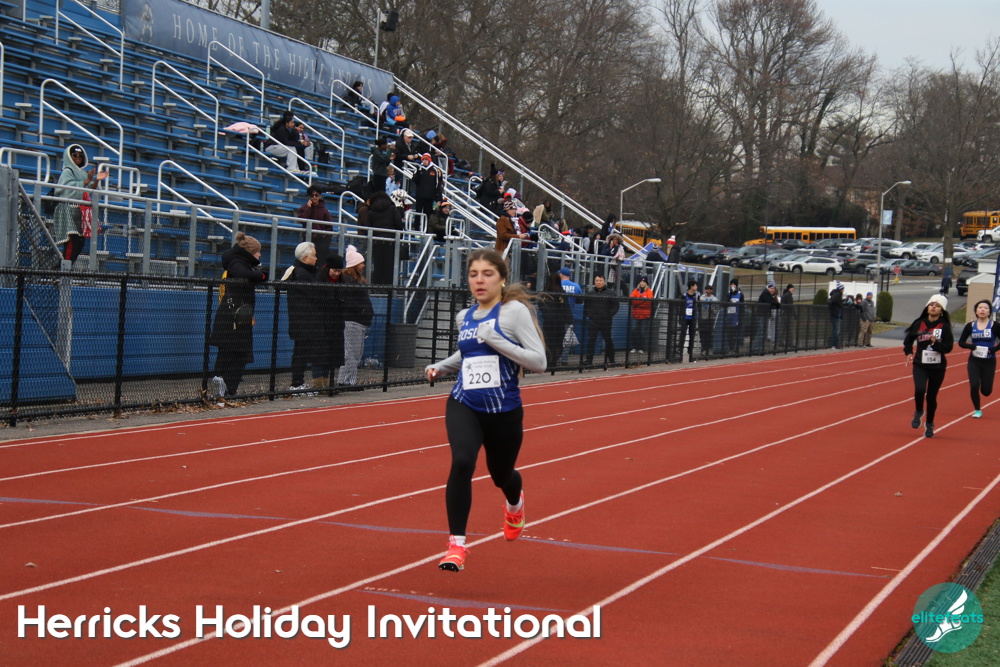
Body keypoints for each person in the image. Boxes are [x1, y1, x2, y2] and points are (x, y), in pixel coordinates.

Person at [424, 249, 547, 572]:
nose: (479, 280)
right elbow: (468, 354)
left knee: (501, 475)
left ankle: (515, 503)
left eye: (487, 274)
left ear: (502, 279)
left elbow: (539, 362)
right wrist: (441, 366)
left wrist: (496, 340)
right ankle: (456, 546)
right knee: (462, 461)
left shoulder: (513, 312)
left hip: (504, 411)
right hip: (465, 402)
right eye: (473, 274)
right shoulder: (464, 316)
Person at [209, 232, 268, 400]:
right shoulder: (236, 262)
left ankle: (228, 388)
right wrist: (260, 275)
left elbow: (257, 276)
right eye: (258, 252)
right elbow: (246, 275)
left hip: (239, 316)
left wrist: (260, 275)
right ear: (251, 252)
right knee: (231, 352)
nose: (260, 255)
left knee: (238, 353)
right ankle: (224, 386)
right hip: (232, 316)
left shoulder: (241, 263)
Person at [903, 294, 954, 438]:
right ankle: (919, 410)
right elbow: (908, 339)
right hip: (920, 364)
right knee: (920, 389)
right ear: (927, 307)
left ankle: (930, 423)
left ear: (942, 310)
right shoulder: (919, 323)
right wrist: (908, 351)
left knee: (931, 397)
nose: (933, 307)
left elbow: (948, 347)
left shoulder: (944, 326)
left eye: (937, 306)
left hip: (937, 367)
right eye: (931, 304)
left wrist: (936, 344)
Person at [54, 144, 108, 265]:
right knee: (71, 241)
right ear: (69, 157)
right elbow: (66, 189)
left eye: (80, 155)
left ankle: (66, 266)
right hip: (68, 210)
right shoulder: (68, 171)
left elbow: (87, 190)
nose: (78, 157)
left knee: (79, 242)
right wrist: (88, 180)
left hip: (79, 212)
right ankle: (63, 268)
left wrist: (96, 180)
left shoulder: (83, 173)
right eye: (75, 155)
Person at [280, 242, 324, 391]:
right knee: (301, 352)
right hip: (304, 320)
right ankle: (297, 383)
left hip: (305, 320)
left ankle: (298, 382)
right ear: (305, 257)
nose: (316, 258)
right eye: (314, 255)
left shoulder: (303, 272)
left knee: (303, 352)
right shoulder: (301, 273)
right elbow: (317, 294)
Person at [336, 246, 374, 387]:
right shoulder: (350, 282)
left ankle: (349, 381)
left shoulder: (353, 281)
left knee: (355, 353)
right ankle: (345, 381)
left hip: (358, 321)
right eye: (361, 263)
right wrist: (362, 310)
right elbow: (349, 302)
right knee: (351, 353)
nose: (363, 265)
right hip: (353, 321)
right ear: (355, 265)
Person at [957, 300, 1000, 418]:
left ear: (989, 312)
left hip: (989, 361)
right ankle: (977, 410)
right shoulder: (970, 326)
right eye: (980, 308)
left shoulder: (995, 326)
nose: (982, 310)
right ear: (976, 311)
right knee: (974, 384)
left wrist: (994, 349)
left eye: (985, 308)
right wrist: (971, 346)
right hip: (974, 360)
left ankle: (985, 389)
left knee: (986, 391)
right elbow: (961, 342)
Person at [317, 253, 346, 387]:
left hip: (336, 323)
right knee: (320, 353)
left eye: (339, 271)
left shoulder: (342, 282)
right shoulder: (319, 279)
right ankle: (319, 382)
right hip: (321, 322)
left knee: (332, 354)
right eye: (334, 270)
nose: (336, 274)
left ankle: (328, 382)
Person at [364, 191, 404, 285]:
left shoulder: (371, 211)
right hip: (391, 241)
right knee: (389, 267)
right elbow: (398, 224)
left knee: (378, 267)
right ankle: (388, 289)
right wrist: (399, 237)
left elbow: (367, 228)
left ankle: (376, 288)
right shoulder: (392, 208)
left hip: (376, 242)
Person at [537, 271, 572, 367]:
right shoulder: (562, 293)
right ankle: (554, 362)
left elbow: (540, 305)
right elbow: (566, 307)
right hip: (559, 322)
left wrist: (547, 313)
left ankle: (548, 361)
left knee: (548, 341)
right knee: (558, 342)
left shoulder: (545, 293)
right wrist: (570, 320)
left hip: (548, 322)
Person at [584, 273, 618, 366]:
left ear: (604, 282)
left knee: (608, 340)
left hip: (606, 321)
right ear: (594, 282)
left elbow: (615, 306)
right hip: (593, 321)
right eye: (597, 281)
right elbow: (586, 305)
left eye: (600, 281)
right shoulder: (590, 293)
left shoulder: (611, 293)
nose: (598, 282)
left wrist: (609, 314)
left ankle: (611, 360)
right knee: (591, 340)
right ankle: (589, 360)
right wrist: (589, 314)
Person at [295, 185, 333, 266]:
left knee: (320, 265)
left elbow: (329, 228)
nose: (314, 197)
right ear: (309, 196)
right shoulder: (303, 208)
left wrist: (326, 241)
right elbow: (302, 220)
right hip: (307, 240)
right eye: (312, 195)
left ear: (320, 196)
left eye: (316, 195)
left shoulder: (325, 211)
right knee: (306, 263)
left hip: (321, 243)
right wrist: (308, 208)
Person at [412, 152, 443, 220]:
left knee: (427, 214)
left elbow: (437, 184)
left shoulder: (434, 170)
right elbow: (414, 180)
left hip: (429, 196)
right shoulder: (418, 169)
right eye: (423, 159)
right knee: (418, 213)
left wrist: (437, 197)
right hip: (420, 195)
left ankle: (426, 226)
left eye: (426, 159)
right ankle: (417, 226)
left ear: (429, 160)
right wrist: (418, 171)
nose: (424, 161)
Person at [629, 275, 654, 355]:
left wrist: (638, 301)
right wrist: (643, 300)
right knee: (634, 331)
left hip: (645, 315)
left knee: (642, 332)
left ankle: (641, 348)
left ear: (646, 283)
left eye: (644, 282)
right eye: (641, 282)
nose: (642, 283)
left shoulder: (649, 291)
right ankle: (634, 347)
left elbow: (648, 303)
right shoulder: (635, 290)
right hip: (636, 314)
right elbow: (632, 301)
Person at [752, 281, 779, 354]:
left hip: (764, 314)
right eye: (771, 288)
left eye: (773, 288)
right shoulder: (765, 293)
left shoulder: (768, 294)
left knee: (763, 332)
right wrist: (777, 304)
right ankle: (756, 349)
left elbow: (772, 302)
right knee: (760, 332)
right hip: (761, 314)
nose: (773, 290)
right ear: (768, 288)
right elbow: (771, 301)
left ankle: (759, 348)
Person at [724, 278, 744, 355]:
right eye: (731, 284)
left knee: (736, 334)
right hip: (729, 317)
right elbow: (725, 303)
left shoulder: (740, 294)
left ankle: (736, 349)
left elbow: (742, 306)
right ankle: (730, 349)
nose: (733, 286)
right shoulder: (728, 294)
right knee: (729, 334)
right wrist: (730, 295)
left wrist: (741, 318)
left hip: (736, 317)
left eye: (734, 284)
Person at [699, 284, 718, 358]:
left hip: (711, 319)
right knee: (703, 334)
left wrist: (713, 311)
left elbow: (716, 309)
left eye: (710, 289)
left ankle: (709, 349)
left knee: (710, 334)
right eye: (707, 289)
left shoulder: (714, 299)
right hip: (703, 318)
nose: (709, 290)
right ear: (705, 290)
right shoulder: (702, 298)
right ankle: (703, 348)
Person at [681, 280, 699, 360]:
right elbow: (681, 307)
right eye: (695, 285)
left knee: (692, 335)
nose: (696, 287)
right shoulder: (684, 296)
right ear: (691, 286)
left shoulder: (697, 296)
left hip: (693, 318)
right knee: (683, 334)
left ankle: (690, 352)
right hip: (685, 318)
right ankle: (680, 351)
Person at [779, 283, 796, 351]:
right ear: (789, 288)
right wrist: (794, 314)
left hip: (783, 313)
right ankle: (790, 343)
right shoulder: (788, 295)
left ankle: (780, 341)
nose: (793, 289)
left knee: (782, 328)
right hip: (787, 314)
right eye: (792, 288)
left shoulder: (784, 295)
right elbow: (790, 305)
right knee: (789, 329)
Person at [829, 281, 845, 349]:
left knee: (835, 330)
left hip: (836, 314)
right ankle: (836, 344)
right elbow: (831, 301)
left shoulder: (837, 295)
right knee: (836, 330)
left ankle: (835, 344)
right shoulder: (837, 295)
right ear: (841, 289)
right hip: (836, 314)